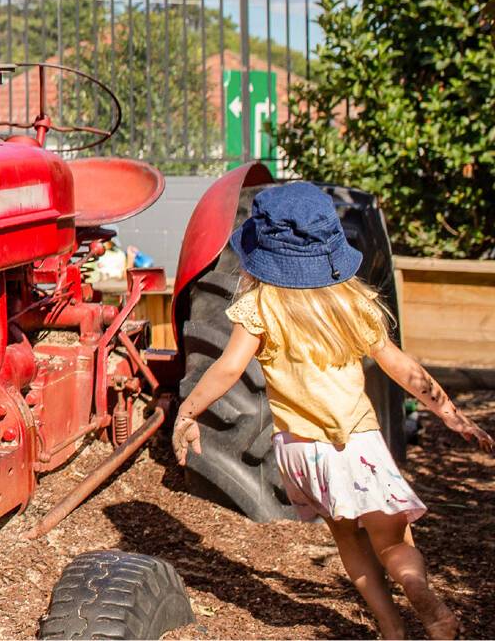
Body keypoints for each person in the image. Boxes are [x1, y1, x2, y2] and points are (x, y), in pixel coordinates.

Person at [173, 182, 491, 640]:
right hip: (357, 448)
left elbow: (225, 370)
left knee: (349, 540)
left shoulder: (259, 306)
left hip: (303, 453)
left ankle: (390, 628)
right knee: (394, 543)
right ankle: (434, 613)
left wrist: (188, 411)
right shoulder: (352, 302)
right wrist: (450, 413)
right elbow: (402, 367)